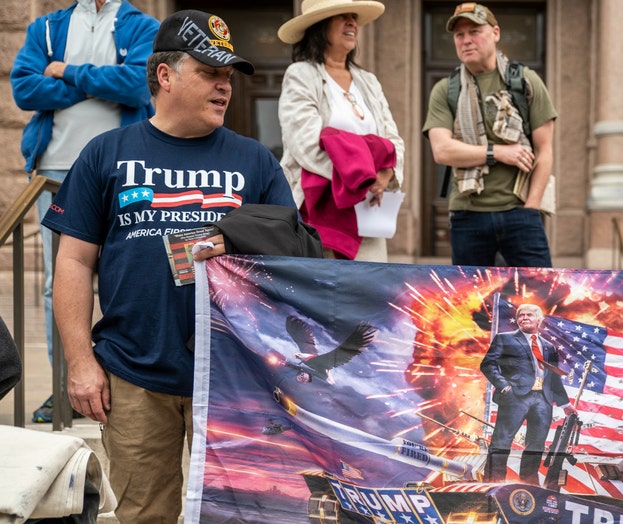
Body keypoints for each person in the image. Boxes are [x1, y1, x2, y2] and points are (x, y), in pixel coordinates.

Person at [40, 10, 296, 522]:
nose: (224, 87)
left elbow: (292, 256)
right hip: (134, 375)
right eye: (209, 73)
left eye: (228, 77)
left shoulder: (256, 161)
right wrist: (80, 362)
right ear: (165, 75)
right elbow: (72, 261)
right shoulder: (105, 153)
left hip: (235, 376)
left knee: (238, 513)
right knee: (144, 514)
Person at [10, 0, 159, 423]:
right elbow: (25, 89)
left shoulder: (141, 25)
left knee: (123, 275)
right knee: (58, 280)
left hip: (121, 169)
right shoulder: (47, 27)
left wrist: (67, 71)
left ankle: (120, 382)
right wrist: (100, 82)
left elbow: (138, 85)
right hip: (53, 170)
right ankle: (64, 390)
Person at [423, 2, 557, 268]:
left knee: (538, 297)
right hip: (467, 214)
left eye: (475, 31)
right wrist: (497, 153)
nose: (466, 40)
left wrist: (531, 208)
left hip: (520, 212)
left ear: (495, 33)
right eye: (459, 35)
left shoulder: (526, 82)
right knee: (472, 303)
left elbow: (545, 151)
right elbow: (442, 151)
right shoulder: (445, 89)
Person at [277, 0, 403, 262]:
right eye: (341, 16)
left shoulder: (368, 81)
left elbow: (393, 140)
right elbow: (307, 145)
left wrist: (387, 173)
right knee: (322, 297)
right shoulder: (300, 74)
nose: (352, 23)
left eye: (353, 17)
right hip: (318, 215)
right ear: (320, 27)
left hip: (369, 214)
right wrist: (363, 177)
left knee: (370, 295)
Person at [480, 303, 575, 485]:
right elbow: (488, 364)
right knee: (502, 440)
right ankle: (493, 482)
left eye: (529, 315)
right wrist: (504, 386)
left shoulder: (549, 347)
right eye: (521, 315)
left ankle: (530, 484)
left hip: (543, 399)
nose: (524, 318)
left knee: (536, 445)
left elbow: (554, 378)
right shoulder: (504, 339)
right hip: (515, 396)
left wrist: (565, 404)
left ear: (538, 319)